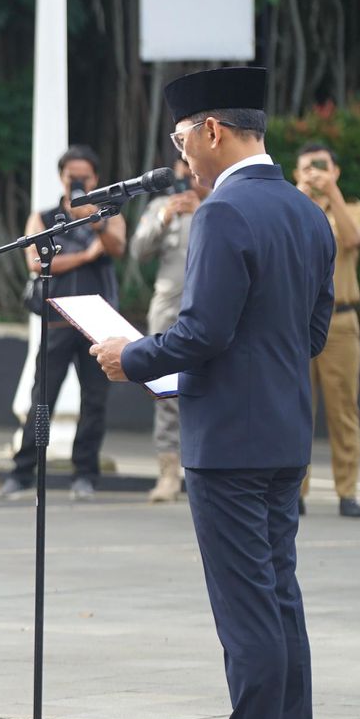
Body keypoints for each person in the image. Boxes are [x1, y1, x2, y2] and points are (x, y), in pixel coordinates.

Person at [92, 66, 335, 719]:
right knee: (280, 599)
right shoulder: (305, 213)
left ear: (212, 131)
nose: (180, 155)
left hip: (228, 439)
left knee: (248, 611)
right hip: (284, 432)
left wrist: (129, 358)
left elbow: (203, 331)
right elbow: (313, 333)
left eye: (181, 138)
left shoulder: (224, 213)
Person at [0, 145, 127, 502]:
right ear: (62, 177)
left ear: (96, 178)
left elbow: (118, 247)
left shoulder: (108, 212)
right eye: (73, 177)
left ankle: (85, 474)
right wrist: (85, 256)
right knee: (42, 399)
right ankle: (22, 472)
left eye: (85, 176)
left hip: (98, 323)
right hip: (56, 320)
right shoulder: (44, 217)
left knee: (94, 402)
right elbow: (35, 264)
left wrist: (95, 219)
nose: (79, 182)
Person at [294, 142, 360, 519]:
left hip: (340, 322)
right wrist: (301, 196)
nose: (314, 172)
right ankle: (296, 491)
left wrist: (331, 193)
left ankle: (348, 491)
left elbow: (355, 238)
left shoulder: (352, 208)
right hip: (294, 322)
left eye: (322, 166)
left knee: (344, 410)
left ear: (336, 171)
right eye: (307, 167)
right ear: (294, 174)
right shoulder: (290, 206)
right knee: (295, 408)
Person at [130, 156, 202, 503]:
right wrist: (164, 217)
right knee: (164, 389)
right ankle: (168, 473)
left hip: (206, 307)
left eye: (190, 174)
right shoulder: (160, 204)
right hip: (168, 305)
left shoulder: (217, 203)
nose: (185, 181)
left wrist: (200, 208)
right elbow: (137, 251)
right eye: (180, 174)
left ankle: (202, 469)